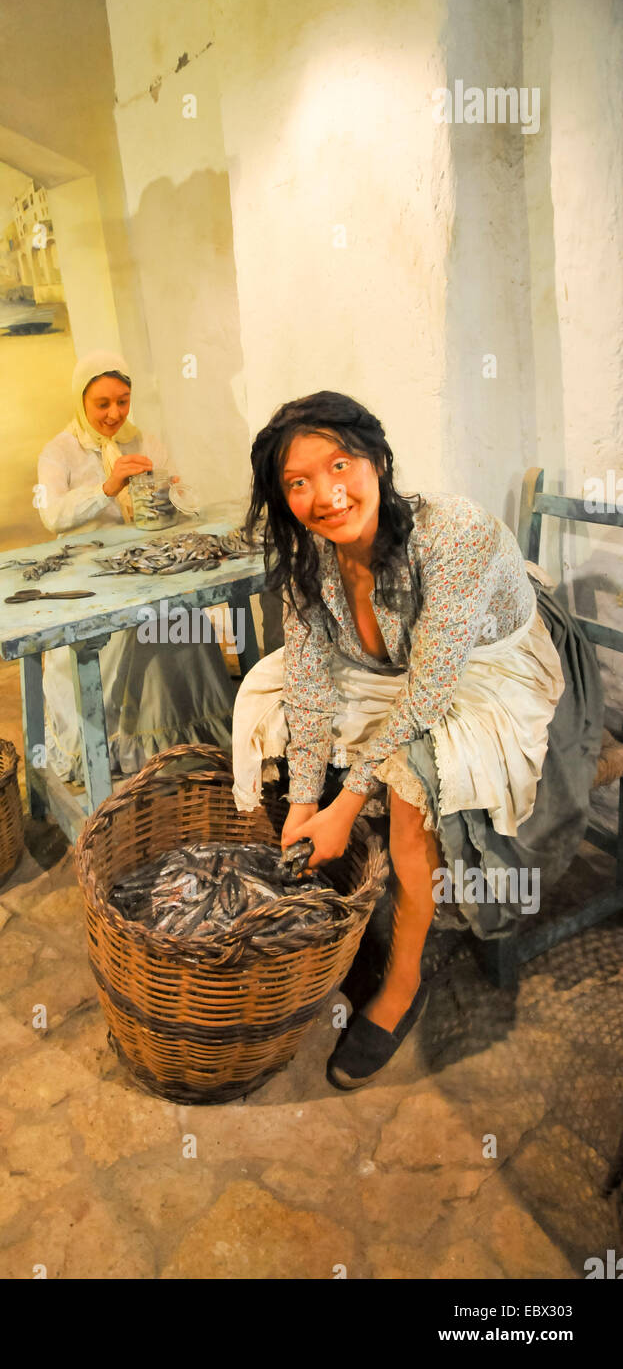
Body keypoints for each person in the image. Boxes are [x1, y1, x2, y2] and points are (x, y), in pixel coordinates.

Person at [233, 391, 604, 1090]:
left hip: (498, 662)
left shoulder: (451, 535)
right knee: (270, 700)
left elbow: (430, 691)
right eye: (298, 483)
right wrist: (305, 803)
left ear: (376, 460)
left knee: (405, 777)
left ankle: (400, 985)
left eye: (339, 464)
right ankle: (357, 905)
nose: (325, 495)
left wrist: (343, 807)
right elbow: (310, 676)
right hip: (403, 663)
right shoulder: (310, 554)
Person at [35, 350, 237, 782]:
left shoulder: (143, 440)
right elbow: (51, 515)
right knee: (123, 633)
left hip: (144, 564)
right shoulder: (59, 452)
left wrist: (173, 491)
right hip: (89, 576)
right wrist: (107, 487)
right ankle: (113, 747)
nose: (114, 413)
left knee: (179, 617)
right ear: (81, 402)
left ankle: (185, 739)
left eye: (123, 401)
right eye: (102, 404)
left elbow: (180, 500)